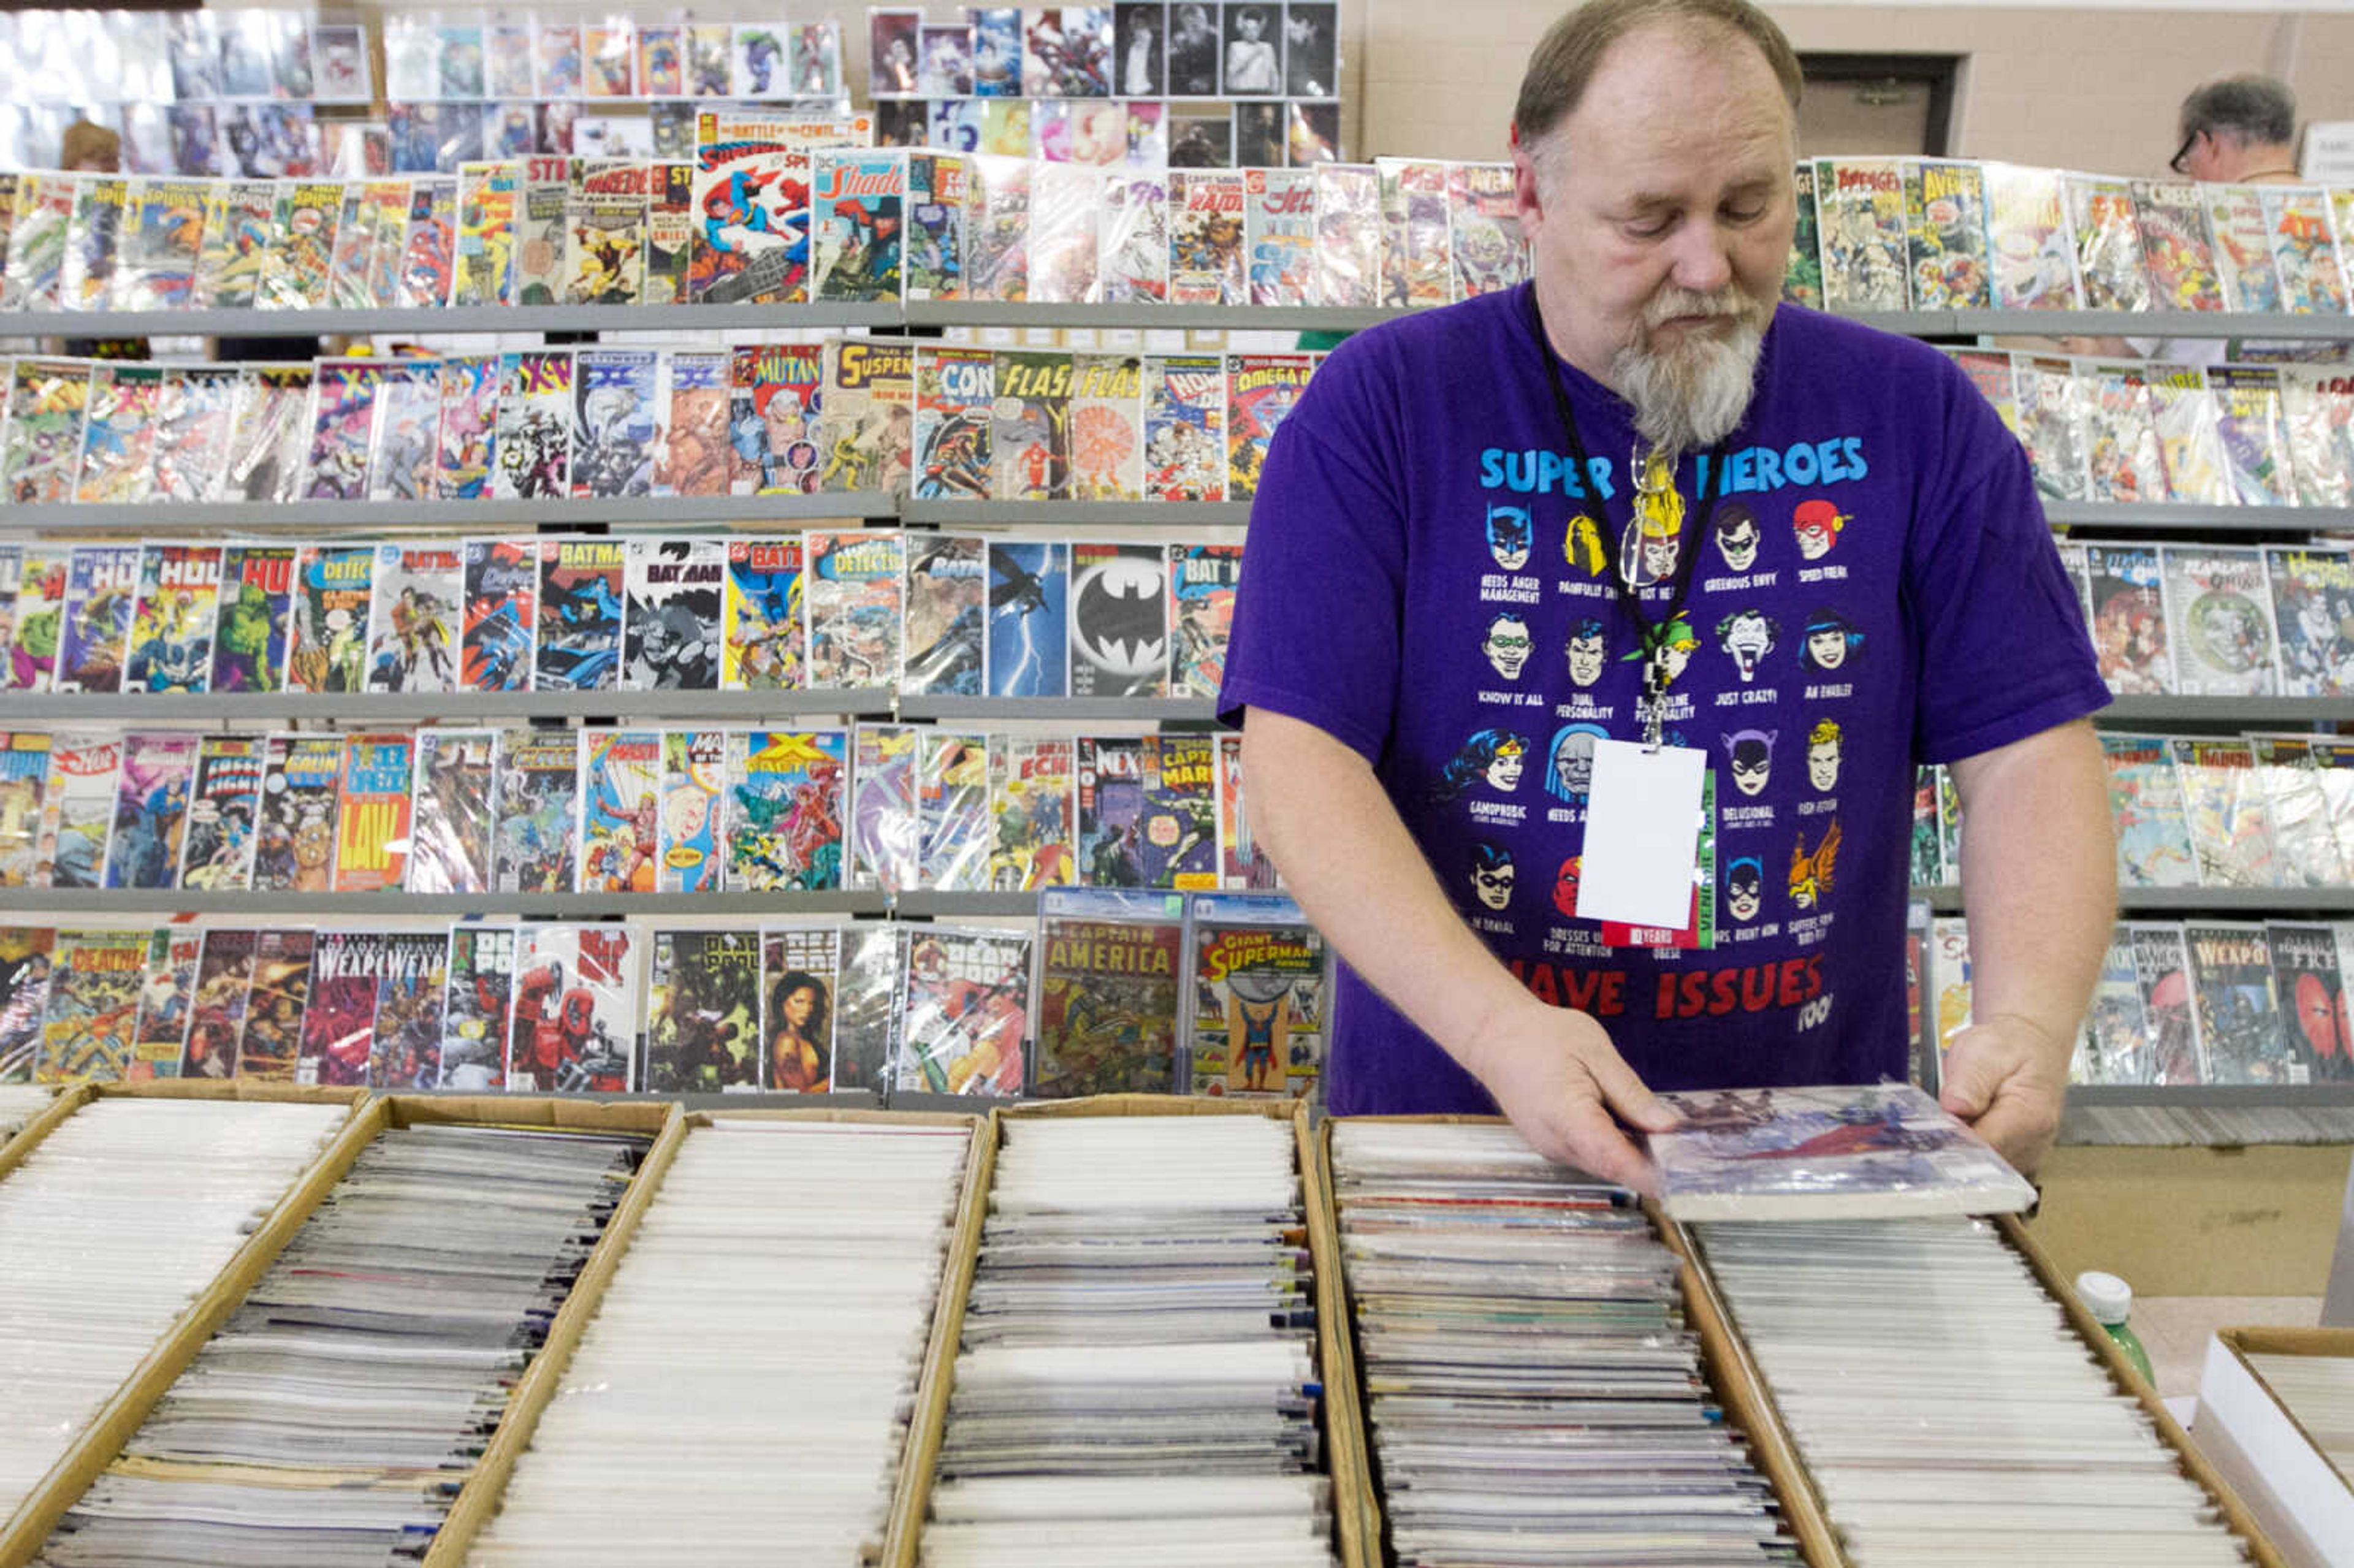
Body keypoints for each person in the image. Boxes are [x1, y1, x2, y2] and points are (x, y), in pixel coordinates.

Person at [1220, 0, 2116, 1190]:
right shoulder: (1381, 408)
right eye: (1648, 221)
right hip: (1458, 1131)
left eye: (1749, 209)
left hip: (1809, 1144)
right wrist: (1497, 1029)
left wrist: (2029, 1027)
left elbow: (2029, 753)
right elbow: (1298, 767)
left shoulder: (1918, 416)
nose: (1708, 265)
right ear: (1529, 193)